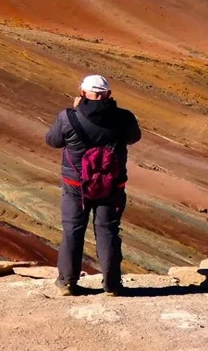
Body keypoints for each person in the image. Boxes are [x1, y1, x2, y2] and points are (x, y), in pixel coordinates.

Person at [45, 74, 141, 296]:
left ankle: (67, 283)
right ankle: (112, 285)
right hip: (112, 186)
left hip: (75, 186)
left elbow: (53, 141)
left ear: (82, 93)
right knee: (108, 231)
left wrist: (75, 111)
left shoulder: (68, 117)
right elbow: (133, 137)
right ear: (108, 94)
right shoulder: (124, 117)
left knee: (73, 231)